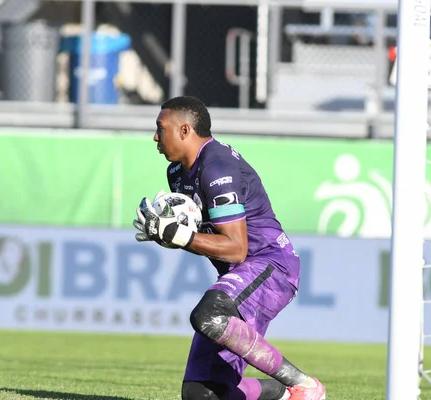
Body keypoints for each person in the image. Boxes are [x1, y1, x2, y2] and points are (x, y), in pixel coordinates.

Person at [133, 96, 326, 400]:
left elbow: (236, 248)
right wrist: (167, 234)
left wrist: (180, 236)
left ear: (185, 131)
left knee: (207, 315)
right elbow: (203, 237)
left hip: (271, 265)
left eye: (160, 128)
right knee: (200, 394)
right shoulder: (176, 174)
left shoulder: (216, 166)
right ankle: (280, 394)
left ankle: (303, 386)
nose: (155, 136)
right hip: (239, 276)